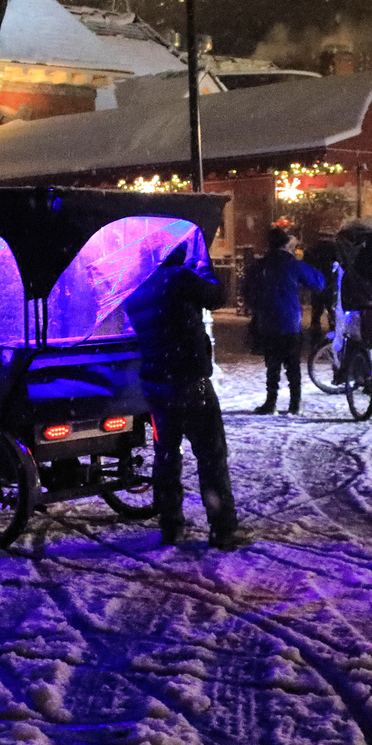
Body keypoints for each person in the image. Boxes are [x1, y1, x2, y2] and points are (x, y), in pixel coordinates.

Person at [122, 242, 242, 551]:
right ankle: (222, 528)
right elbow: (217, 297)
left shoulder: (136, 290)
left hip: (156, 385)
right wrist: (204, 271)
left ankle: (170, 525)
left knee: (166, 454)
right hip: (189, 382)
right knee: (211, 455)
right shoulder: (178, 278)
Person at [242, 226, 325, 415]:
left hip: (267, 320)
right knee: (292, 364)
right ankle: (295, 403)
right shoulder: (292, 264)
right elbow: (318, 282)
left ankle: (271, 402)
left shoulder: (261, 265)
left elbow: (247, 289)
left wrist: (256, 307)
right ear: (286, 244)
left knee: (272, 364)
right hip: (289, 321)